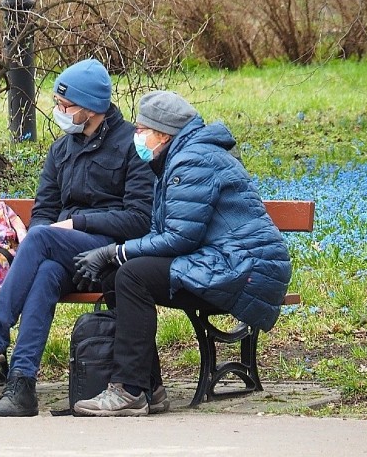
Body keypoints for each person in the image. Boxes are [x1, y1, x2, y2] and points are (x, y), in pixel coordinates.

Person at [0, 59, 155, 417]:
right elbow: (45, 210)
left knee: (40, 240)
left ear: (92, 108)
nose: (59, 112)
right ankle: (21, 384)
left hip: (111, 253)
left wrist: (77, 224)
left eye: (66, 106)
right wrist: (57, 232)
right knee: (47, 269)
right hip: (65, 252)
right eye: (57, 104)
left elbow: (140, 219)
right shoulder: (61, 150)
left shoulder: (131, 145)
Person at [71, 90, 292, 416]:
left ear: (163, 134)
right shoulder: (177, 157)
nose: (136, 135)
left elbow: (179, 238)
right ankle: (149, 388)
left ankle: (129, 391)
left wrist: (115, 251)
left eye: (142, 130)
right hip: (222, 262)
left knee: (130, 274)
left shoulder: (192, 161)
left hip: (246, 270)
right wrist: (115, 257)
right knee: (119, 275)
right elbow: (171, 235)